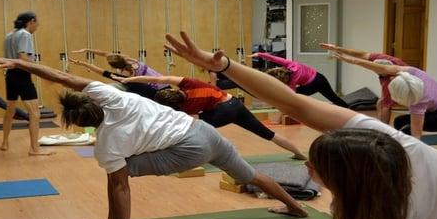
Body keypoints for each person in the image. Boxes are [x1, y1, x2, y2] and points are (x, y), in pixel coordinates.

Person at [165, 31, 437, 219]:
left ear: (345, 179)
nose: (307, 165)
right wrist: (224, 66)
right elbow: (294, 103)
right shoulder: (389, 143)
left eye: (316, 164)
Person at [0, 54, 308, 219]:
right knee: (251, 175)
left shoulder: (108, 142)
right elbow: (63, 76)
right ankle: (295, 208)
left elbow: (120, 186)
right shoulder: (110, 96)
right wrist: (22, 64)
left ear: (85, 125)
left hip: (188, 150)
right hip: (204, 132)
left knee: (119, 172)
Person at [115, 74, 306, 159]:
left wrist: (129, 81)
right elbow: (158, 79)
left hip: (222, 111)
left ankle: (212, 155)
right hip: (235, 104)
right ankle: (298, 153)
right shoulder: (189, 83)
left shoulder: (185, 108)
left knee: (194, 129)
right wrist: (131, 79)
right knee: (267, 134)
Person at [333, 52, 437, 138]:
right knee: (402, 123)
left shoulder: (418, 102)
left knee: (403, 125)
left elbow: (416, 134)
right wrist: (352, 60)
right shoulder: (413, 72)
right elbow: (383, 68)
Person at [3, 11, 53, 155]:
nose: (37, 27)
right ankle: (34, 149)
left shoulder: (9, 35)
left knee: (10, 111)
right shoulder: (25, 34)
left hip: (10, 75)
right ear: (31, 21)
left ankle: (5, 142)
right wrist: (42, 69)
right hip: (22, 75)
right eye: (36, 23)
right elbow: (22, 57)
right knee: (35, 113)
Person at [320, 43, 407, 123]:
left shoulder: (389, 80)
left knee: (384, 103)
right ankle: (381, 124)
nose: (375, 72)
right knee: (380, 102)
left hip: (407, 85)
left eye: (378, 72)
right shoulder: (381, 58)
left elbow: (386, 107)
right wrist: (336, 48)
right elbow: (361, 54)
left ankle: (384, 129)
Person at [250, 52, 349, 108]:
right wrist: (259, 54)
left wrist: (279, 104)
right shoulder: (290, 64)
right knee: (334, 98)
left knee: (295, 95)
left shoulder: (293, 81)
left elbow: (291, 96)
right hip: (320, 77)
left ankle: (346, 109)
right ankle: (347, 108)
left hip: (315, 84)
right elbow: (274, 58)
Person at [68, 57, 169, 99]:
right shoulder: (135, 62)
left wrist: (83, 63)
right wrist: (83, 63)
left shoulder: (124, 78)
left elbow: (103, 72)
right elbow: (106, 61)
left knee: (110, 87)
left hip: (156, 94)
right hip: (166, 87)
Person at [71, 48, 163, 77]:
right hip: (160, 77)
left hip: (155, 86)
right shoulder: (129, 59)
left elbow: (103, 72)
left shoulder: (125, 73)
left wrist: (83, 63)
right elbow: (105, 53)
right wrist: (87, 50)